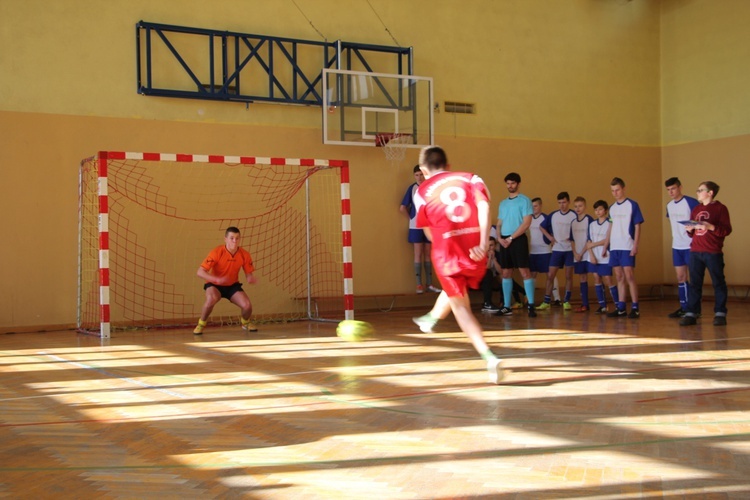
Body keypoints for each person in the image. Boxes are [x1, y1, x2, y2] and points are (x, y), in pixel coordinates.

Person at [410, 146, 506, 384]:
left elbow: (428, 233)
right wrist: (484, 242)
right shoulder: (472, 178)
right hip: (476, 251)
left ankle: (489, 356)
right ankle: (431, 318)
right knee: (456, 289)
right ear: (448, 165)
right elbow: (485, 206)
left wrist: (446, 242)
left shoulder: (421, 192)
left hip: (447, 254)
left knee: (460, 305)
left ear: (423, 169)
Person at [679, 181, 732, 326]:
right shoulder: (696, 209)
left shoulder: (721, 208)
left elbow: (726, 230)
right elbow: (694, 233)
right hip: (696, 251)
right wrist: (690, 230)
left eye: (700, 190)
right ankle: (692, 313)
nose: (697, 192)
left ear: (710, 193)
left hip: (713, 252)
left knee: (718, 283)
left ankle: (720, 313)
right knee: (695, 283)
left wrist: (711, 226)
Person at [193, 226, 257, 334]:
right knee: (211, 300)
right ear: (225, 239)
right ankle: (201, 324)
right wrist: (216, 279)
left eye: (237, 238)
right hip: (214, 284)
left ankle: (245, 323)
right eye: (231, 238)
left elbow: (248, 274)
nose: (234, 241)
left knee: (247, 306)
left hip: (232, 285)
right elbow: (200, 272)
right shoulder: (217, 252)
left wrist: (250, 278)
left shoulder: (244, 254)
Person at [495, 172, 537, 317]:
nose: (510, 186)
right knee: (506, 272)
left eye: (512, 183)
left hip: (518, 240)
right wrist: (499, 238)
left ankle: (531, 305)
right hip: (505, 241)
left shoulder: (525, 201)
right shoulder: (503, 203)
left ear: (518, 184)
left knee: (524, 271)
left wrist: (512, 237)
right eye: (507, 183)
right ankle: (507, 306)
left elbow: (526, 223)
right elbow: (499, 223)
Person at [400, 165, 441, 294]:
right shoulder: (412, 188)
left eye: (421, 174)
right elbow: (402, 207)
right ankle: (419, 285)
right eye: (417, 175)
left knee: (428, 254)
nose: (419, 177)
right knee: (418, 253)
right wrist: (412, 219)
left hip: (429, 226)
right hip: (416, 226)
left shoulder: (431, 188)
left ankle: (429, 283)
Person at [607, 177, 644, 319]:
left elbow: (637, 226)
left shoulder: (632, 205)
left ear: (623, 189)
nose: (615, 193)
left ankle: (635, 307)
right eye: (612, 191)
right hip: (615, 246)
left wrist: (635, 245)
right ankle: (621, 307)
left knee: (629, 275)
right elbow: (610, 227)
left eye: (617, 190)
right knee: (619, 276)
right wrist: (607, 246)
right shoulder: (612, 208)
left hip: (627, 245)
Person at [665, 177, 699, 318]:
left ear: (680, 187)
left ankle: (695, 309)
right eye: (668, 190)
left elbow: (699, 223)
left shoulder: (691, 202)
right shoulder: (669, 205)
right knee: (680, 276)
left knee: (694, 277)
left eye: (673, 188)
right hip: (677, 245)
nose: (671, 192)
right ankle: (684, 307)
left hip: (691, 245)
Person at [536, 192, 576, 310]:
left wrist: (574, 239)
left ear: (568, 202)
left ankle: (566, 301)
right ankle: (546, 301)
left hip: (569, 250)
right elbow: (541, 227)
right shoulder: (553, 215)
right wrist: (550, 238)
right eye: (559, 203)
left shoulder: (573, 215)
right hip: (557, 249)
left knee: (569, 276)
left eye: (564, 202)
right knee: (550, 275)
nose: (562, 205)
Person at [586, 200, 619, 314]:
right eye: (596, 210)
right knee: (596, 278)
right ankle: (602, 305)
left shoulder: (609, 224)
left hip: (605, 255)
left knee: (608, 279)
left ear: (605, 210)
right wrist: (591, 255)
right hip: (594, 256)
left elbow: (608, 240)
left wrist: (594, 244)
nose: (598, 212)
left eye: (600, 209)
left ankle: (618, 305)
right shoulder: (592, 225)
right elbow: (588, 242)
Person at [528, 198, 562, 306]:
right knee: (532, 274)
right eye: (532, 206)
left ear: (541, 206)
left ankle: (557, 298)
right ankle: (530, 300)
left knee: (550, 274)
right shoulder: (528, 219)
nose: (534, 208)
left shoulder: (546, 218)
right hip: (533, 251)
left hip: (545, 251)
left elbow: (553, 233)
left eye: (536, 206)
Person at [570, 196, 594, 312]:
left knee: (596, 276)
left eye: (580, 206)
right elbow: (572, 240)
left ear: (585, 206)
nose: (578, 208)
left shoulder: (589, 219)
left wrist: (582, 252)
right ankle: (585, 304)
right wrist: (575, 253)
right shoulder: (573, 222)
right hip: (577, 255)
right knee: (582, 278)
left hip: (588, 254)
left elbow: (590, 239)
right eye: (575, 206)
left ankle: (603, 304)